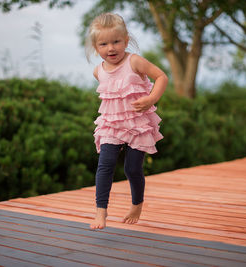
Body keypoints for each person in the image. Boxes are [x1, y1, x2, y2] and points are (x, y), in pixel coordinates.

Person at [85, 12, 168, 230]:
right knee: (105, 165)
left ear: (126, 41)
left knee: (132, 169)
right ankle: (100, 212)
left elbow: (161, 77)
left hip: (137, 125)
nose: (110, 48)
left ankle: (137, 204)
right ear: (96, 47)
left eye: (116, 42)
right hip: (111, 125)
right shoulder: (98, 71)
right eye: (103, 44)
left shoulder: (135, 61)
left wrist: (151, 98)